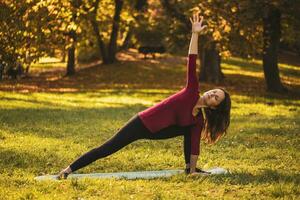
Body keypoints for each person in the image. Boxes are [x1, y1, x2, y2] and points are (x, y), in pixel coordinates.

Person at [58, 13, 231, 179]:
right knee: (108, 148)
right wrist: (194, 34)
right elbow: (192, 60)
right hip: (142, 123)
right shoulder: (192, 91)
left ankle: (189, 169)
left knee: (191, 128)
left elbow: (194, 146)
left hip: (158, 131)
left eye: (216, 98)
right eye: (214, 91)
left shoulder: (198, 120)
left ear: (215, 107)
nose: (212, 94)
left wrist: (193, 169)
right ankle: (68, 169)